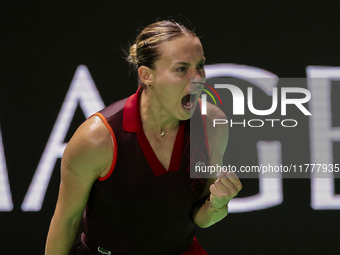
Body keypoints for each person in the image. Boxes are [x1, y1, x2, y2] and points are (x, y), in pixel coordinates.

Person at [45, 20, 242, 255]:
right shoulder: (96, 139)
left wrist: (218, 204)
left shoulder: (211, 125)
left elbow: (200, 218)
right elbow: (65, 222)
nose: (197, 78)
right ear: (147, 75)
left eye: (200, 65)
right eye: (181, 69)